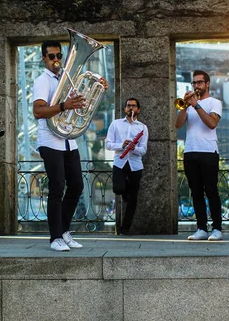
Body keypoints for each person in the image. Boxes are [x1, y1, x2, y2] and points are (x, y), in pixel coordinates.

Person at [33, 40, 108, 251]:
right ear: (44, 59)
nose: (56, 60)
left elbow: (77, 108)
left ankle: (64, 231)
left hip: (68, 139)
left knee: (76, 185)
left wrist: (97, 89)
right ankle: (54, 237)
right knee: (57, 188)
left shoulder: (67, 81)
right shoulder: (43, 80)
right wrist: (65, 105)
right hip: (50, 140)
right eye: (51, 57)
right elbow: (38, 111)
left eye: (59, 56)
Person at [175, 70, 224, 241]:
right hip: (190, 151)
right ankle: (201, 228)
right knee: (195, 192)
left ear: (207, 84)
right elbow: (178, 124)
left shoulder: (214, 102)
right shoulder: (189, 105)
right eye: (194, 83)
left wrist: (196, 105)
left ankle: (217, 228)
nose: (196, 86)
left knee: (211, 190)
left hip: (208, 151)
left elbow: (211, 123)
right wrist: (184, 107)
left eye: (199, 82)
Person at [105, 98, 149, 235]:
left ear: (138, 109)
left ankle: (125, 228)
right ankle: (125, 192)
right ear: (124, 109)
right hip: (120, 162)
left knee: (133, 199)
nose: (131, 108)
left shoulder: (142, 127)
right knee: (118, 189)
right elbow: (108, 144)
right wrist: (122, 145)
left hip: (136, 165)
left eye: (134, 106)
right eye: (128, 106)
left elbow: (143, 150)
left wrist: (133, 148)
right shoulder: (116, 124)